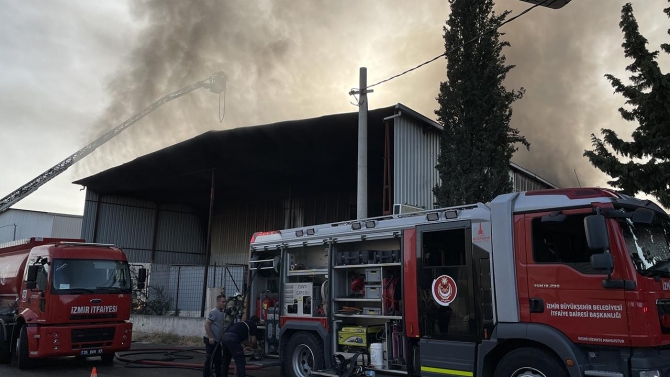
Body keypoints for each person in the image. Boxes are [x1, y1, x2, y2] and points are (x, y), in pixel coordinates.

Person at [203, 294, 227, 377]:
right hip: (211, 340)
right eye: (222, 302)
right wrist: (210, 337)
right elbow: (207, 324)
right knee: (210, 359)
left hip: (217, 341)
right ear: (217, 302)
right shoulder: (214, 312)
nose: (224, 303)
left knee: (218, 360)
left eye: (225, 302)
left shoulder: (222, 313)